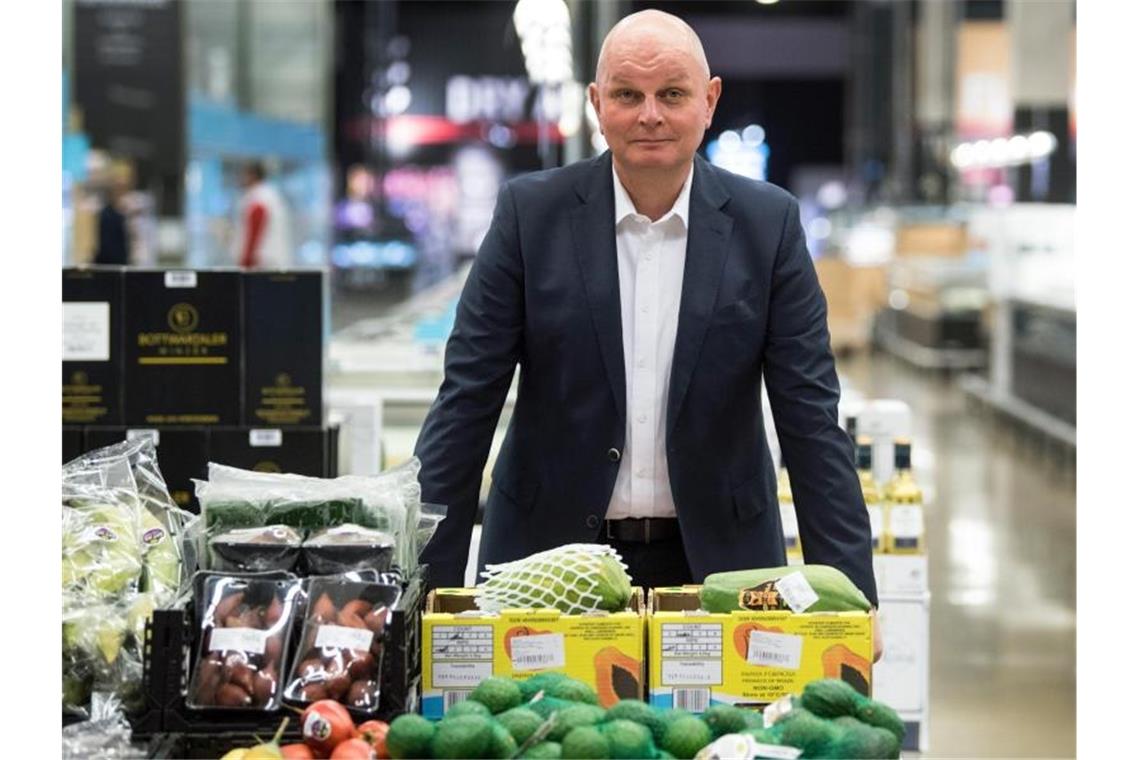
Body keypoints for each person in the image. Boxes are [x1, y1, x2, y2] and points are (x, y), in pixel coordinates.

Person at [414, 9, 882, 659]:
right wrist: (424, 591)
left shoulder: (766, 226)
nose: (650, 115)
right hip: (546, 562)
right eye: (628, 95)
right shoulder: (531, 216)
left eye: (673, 94)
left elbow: (811, 421)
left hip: (720, 571)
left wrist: (853, 599)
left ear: (709, 100)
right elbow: (465, 403)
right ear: (597, 104)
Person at [234, 160, 292, 268]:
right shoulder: (271, 196)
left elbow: (255, 231)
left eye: (243, 175)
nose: (240, 178)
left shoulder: (258, 199)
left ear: (252, 175)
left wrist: (247, 259)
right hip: (271, 259)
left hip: (261, 261)